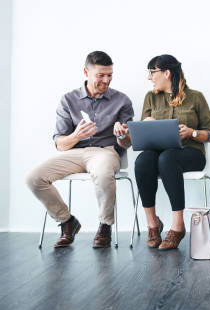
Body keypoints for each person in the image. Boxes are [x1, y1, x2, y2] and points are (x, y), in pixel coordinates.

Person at [26, 51, 134, 248]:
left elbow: (126, 144)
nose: (106, 80)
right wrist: (77, 135)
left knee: (102, 173)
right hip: (74, 153)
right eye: (100, 75)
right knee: (34, 178)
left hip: (106, 151)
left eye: (109, 74)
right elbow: (60, 144)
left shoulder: (122, 101)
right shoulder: (68, 100)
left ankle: (105, 225)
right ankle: (67, 222)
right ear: (86, 72)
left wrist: (122, 136)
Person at [120, 55, 210, 251]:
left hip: (191, 153)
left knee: (168, 158)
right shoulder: (150, 98)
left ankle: (178, 226)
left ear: (167, 73)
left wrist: (192, 132)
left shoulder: (196, 97)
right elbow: (141, 136)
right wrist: (144, 125)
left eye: (152, 72)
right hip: (158, 153)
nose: (149, 78)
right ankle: (153, 224)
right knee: (143, 161)